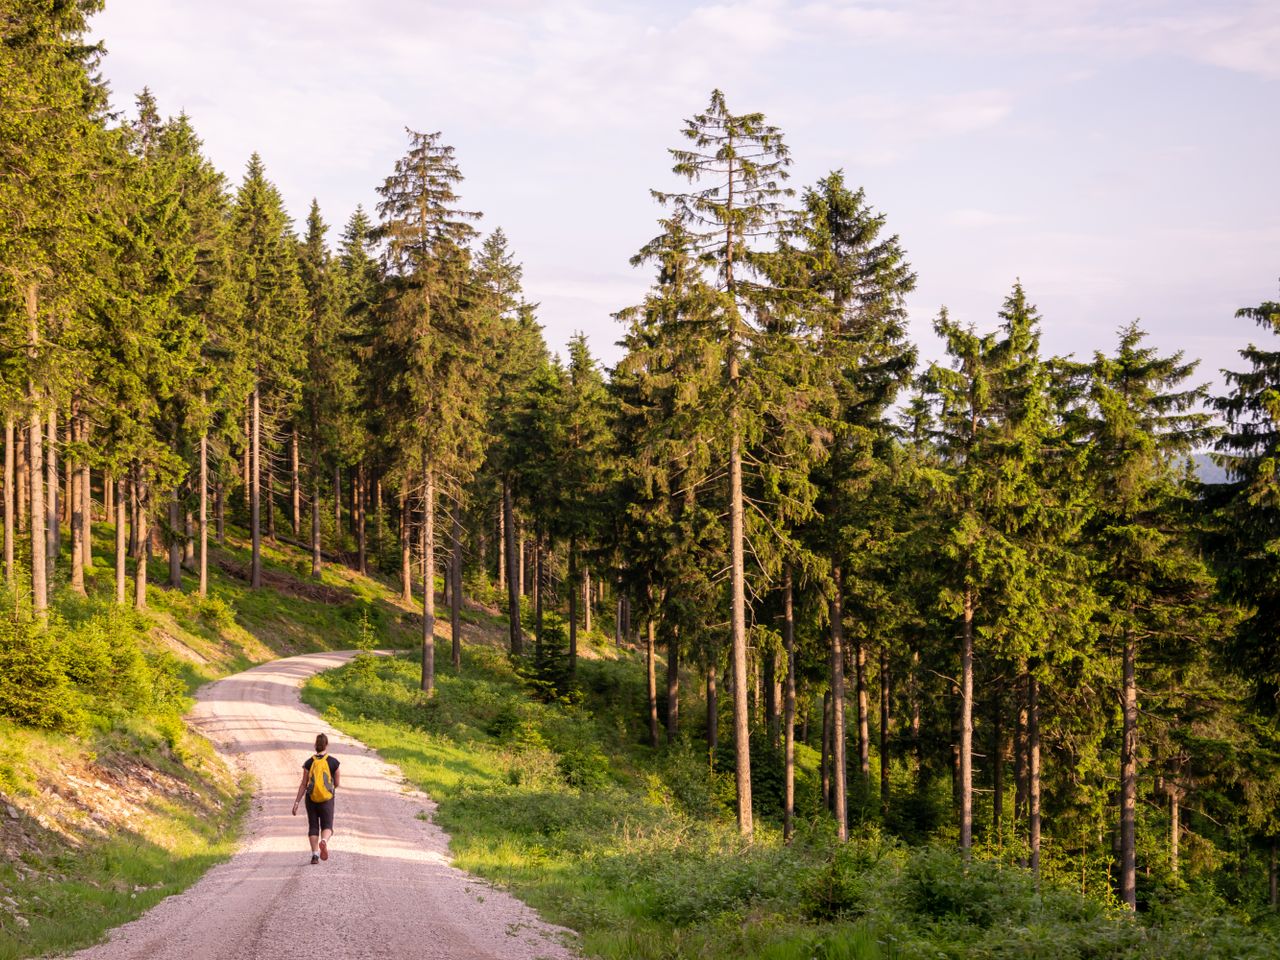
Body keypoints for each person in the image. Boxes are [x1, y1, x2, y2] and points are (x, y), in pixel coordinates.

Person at [292, 733, 340, 864]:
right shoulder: (333, 762)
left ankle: (314, 855)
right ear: (327, 745)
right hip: (327, 798)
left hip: (311, 798)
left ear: (315, 746)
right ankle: (324, 841)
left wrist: (296, 802)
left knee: (313, 826)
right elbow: (337, 783)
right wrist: (328, 790)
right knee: (327, 825)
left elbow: (303, 784)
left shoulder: (309, 762)